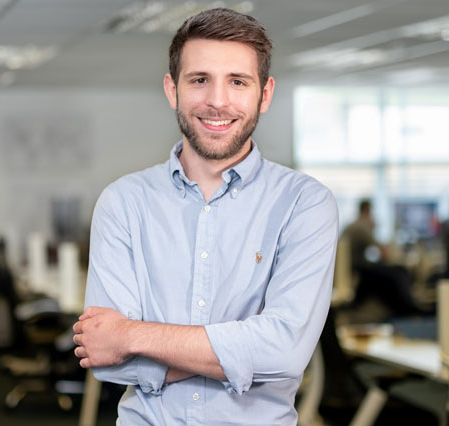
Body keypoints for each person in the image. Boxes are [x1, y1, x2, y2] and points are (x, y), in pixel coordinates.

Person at [72, 8, 338, 425]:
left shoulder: (305, 204)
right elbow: (106, 361)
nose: (217, 100)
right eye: (199, 80)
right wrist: (238, 353)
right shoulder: (123, 202)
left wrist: (131, 335)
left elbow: (284, 353)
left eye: (237, 81)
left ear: (264, 94)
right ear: (171, 89)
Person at [342, 199, 422, 317]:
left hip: (353, 270)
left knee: (394, 271)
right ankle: (408, 309)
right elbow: (384, 253)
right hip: (357, 272)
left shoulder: (353, 225)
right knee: (398, 273)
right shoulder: (361, 226)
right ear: (367, 211)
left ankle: (405, 308)